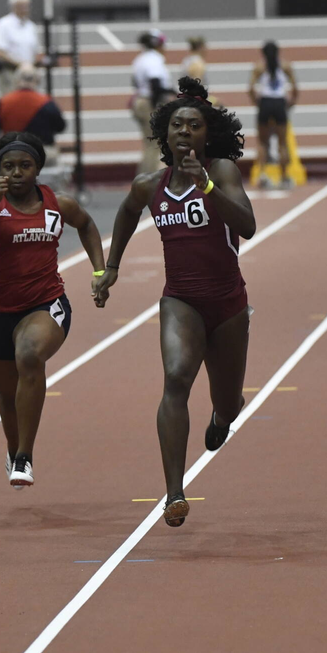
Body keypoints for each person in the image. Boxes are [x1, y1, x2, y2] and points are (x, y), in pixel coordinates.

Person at [93, 77, 256, 527]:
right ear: (164, 134)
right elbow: (126, 212)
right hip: (180, 300)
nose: (185, 132)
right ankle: (174, 494)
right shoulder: (150, 185)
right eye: (177, 125)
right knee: (176, 378)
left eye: (195, 125)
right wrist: (112, 267)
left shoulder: (221, 172)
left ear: (209, 134)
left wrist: (206, 187)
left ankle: (224, 416)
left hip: (228, 305)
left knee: (226, 401)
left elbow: (247, 226)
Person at [0, 132, 106, 488]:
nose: (16, 173)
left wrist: (100, 270)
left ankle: (26, 456)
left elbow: (87, 224)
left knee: (30, 357)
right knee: (8, 395)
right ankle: (14, 451)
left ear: (38, 168)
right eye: (8, 166)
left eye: (25, 165)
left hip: (46, 303)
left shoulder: (59, 203)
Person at [248, 41, 298, 188]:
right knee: (282, 142)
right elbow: (295, 87)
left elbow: (250, 88)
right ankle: (284, 177)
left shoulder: (259, 67)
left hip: (265, 103)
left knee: (263, 142)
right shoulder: (286, 66)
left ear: (263, 53)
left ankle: (262, 175)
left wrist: (256, 102)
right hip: (279, 103)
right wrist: (291, 102)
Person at [0, 64, 66, 165]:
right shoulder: (46, 102)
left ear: (16, 80)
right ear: (37, 81)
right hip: (42, 156)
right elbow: (61, 127)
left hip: (12, 155)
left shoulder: (3, 102)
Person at [130, 29, 174, 176]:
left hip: (141, 100)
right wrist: (158, 106)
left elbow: (136, 83)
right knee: (153, 144)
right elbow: (155, 83)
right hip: (149, 103)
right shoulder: (154, 59)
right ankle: (147, 179)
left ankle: (145, 178)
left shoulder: (140, 59)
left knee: (150, 143)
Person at [0, 0, 44, 97]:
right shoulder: (3, 25)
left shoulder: (31, 26)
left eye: (26, 6)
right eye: (21, 6)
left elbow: (36, 52)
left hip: (29, 74)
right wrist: (19, 64)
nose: (25, 9)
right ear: (14, 6)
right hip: (11, 73)